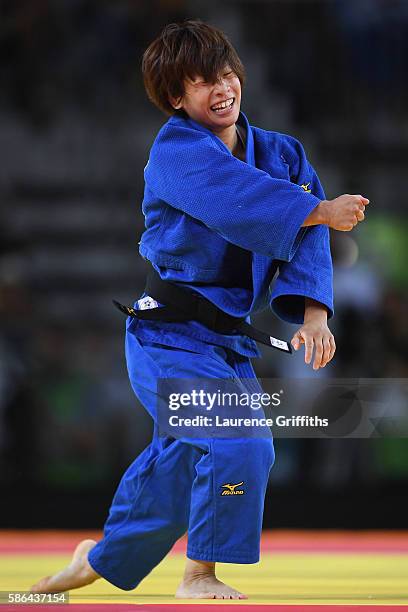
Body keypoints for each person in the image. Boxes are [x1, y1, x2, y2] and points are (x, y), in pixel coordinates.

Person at [31, 19, 369, 600]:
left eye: (227, 73)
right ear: (175, 99)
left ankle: (99, 559)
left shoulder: (283, 154)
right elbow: (236, 201)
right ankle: (200, 574)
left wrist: (316, 314)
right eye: (202, 82)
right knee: (240, 441)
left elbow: (307, 240)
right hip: (166, 337)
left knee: (185, 459)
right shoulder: (175, 152)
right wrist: (317, 211)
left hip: (225, 344)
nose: (223, 88)